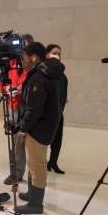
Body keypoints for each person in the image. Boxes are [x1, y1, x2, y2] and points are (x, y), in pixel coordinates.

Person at [15, 41, 65, 215]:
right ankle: (31, 194)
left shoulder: (39, 77)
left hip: (37, 128)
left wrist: (24, 127)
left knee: (37, 165)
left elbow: (33, 108)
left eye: (24, 58)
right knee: (33, 162)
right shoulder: (58, 74)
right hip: (49, 124)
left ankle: (36, 204)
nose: (22, 62)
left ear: (34, 57)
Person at [0, 33, 34, 186]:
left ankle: (35, 175)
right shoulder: (11, 63)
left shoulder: (35, 66)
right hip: (13, 106)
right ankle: (17, 173)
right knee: (16, 142)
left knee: (33, 143)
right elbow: (1, 83)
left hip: (29, 108)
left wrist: (24, 90)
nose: (20, 50)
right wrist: (9, 89)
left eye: (23, 46)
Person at [45, 44, 68, 174]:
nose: (57, 56)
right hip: (47, 113)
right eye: (54, 52)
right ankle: (41, 163)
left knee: (58, 138)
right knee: (43, 140)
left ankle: (53, 162)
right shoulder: (43, 72)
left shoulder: (61, 74)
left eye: (59, 53)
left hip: (59, 111)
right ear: (47, 54)